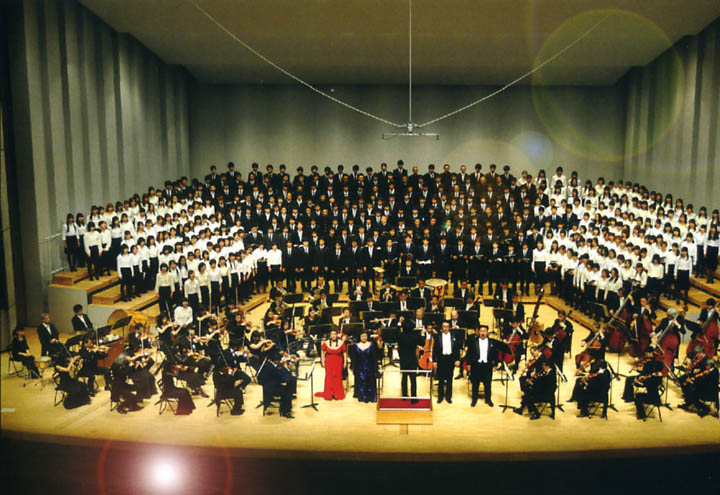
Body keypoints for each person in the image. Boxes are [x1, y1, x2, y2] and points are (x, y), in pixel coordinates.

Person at [465, 325, 499, 407]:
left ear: (487, 332)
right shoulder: (473, 342)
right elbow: (469, 354)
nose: (483, 333)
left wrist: (495, 364)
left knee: (487, 384)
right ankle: (474, 399)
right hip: (476, 365)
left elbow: (495, 354)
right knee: (475, 384)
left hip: (487, 366)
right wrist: (468, 364)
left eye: (484, 331)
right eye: (481, 331)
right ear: (478, 332)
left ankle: (488, 399)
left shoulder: (492, 342)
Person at [397, 320, 426, 402]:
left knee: (404, 377)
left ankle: (404, 395)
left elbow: (399, 347)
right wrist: (422, 334)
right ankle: (413, 397)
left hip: (403, 359)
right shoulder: (415, 335)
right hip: (412, 359)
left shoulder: (400, 335)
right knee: (413, 379)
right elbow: (422, 343)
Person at [433, 321, 461, 404]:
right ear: (442, 327)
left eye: (447, 326)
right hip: (441, 359)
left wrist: (457, 359)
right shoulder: (437, 336)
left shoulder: (454, 336)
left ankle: (448, 397)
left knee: (449, 379)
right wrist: (434, 361)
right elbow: (435, 349)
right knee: (441, 379)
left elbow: (456, 349)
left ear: (449, 327)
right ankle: (440, 397)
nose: (445, 328)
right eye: (444, 326)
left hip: (450, 359)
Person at [349, 330, 380, 403]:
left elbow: (375, 357)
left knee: (370, 381)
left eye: (365, 336)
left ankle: (370, 397)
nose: (364, 338)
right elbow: (354, 358)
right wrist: (353, 367)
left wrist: (376, 367)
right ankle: (361, 396)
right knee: (360, 381)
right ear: (360, 337)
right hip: (359, 367)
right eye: (362, 336)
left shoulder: (372, 345)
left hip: (370, 367)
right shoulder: (355, 346)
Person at [315, 329, 347, 400]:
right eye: (332, 334)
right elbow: (322, 353)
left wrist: (345, 362)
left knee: (338, 377)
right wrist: (322, 362)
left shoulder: (341, 343)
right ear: (330, 335)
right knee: (329, 378)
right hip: (329, 362)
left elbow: (344, 353)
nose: (333, 336)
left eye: (335, 334)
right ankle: (329, 393)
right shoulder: (326, 343)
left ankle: (337, 394)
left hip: (338, 362)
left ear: (337, 335)